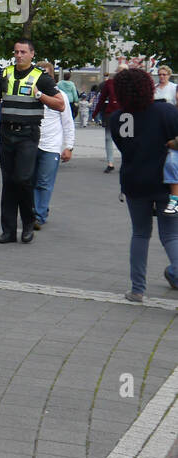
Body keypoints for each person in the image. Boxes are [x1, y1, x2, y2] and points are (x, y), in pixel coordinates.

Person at [0, 39, 65, 243]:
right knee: (8, 182)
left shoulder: (40, 78)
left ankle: (28, 223)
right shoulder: (5, 75)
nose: (18, 55)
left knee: (23, 179)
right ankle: (8, 230)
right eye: (16, 52)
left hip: (27, 134)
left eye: (23, 52)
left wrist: (40, 95)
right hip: (7, 134)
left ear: (32, 54)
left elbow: (60, 105)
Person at [108, 67, 178, 302]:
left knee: (140, 233)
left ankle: (137, 289)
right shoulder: (166, 111)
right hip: (167, 183)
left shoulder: (117, 118)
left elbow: (124, 147)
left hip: (134, 181)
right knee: (170, 235)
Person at [32, 64, 75, 229]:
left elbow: (68, 123)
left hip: (51, 146)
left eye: (45, 75)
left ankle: (38, 215)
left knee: (43, 182)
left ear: (51, 77)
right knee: (29, 180)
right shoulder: (31, 94)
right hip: (31, 143)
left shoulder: (60, 96)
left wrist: (69, 147)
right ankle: (38, 209)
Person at [95, 75, 120, 172]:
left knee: (126, 138)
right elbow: (101, 98)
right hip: (110, 112)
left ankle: (126, 161)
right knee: (108, 137)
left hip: (126, 114)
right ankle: (110, 163)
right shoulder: (105, 84)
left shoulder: (129, 83)